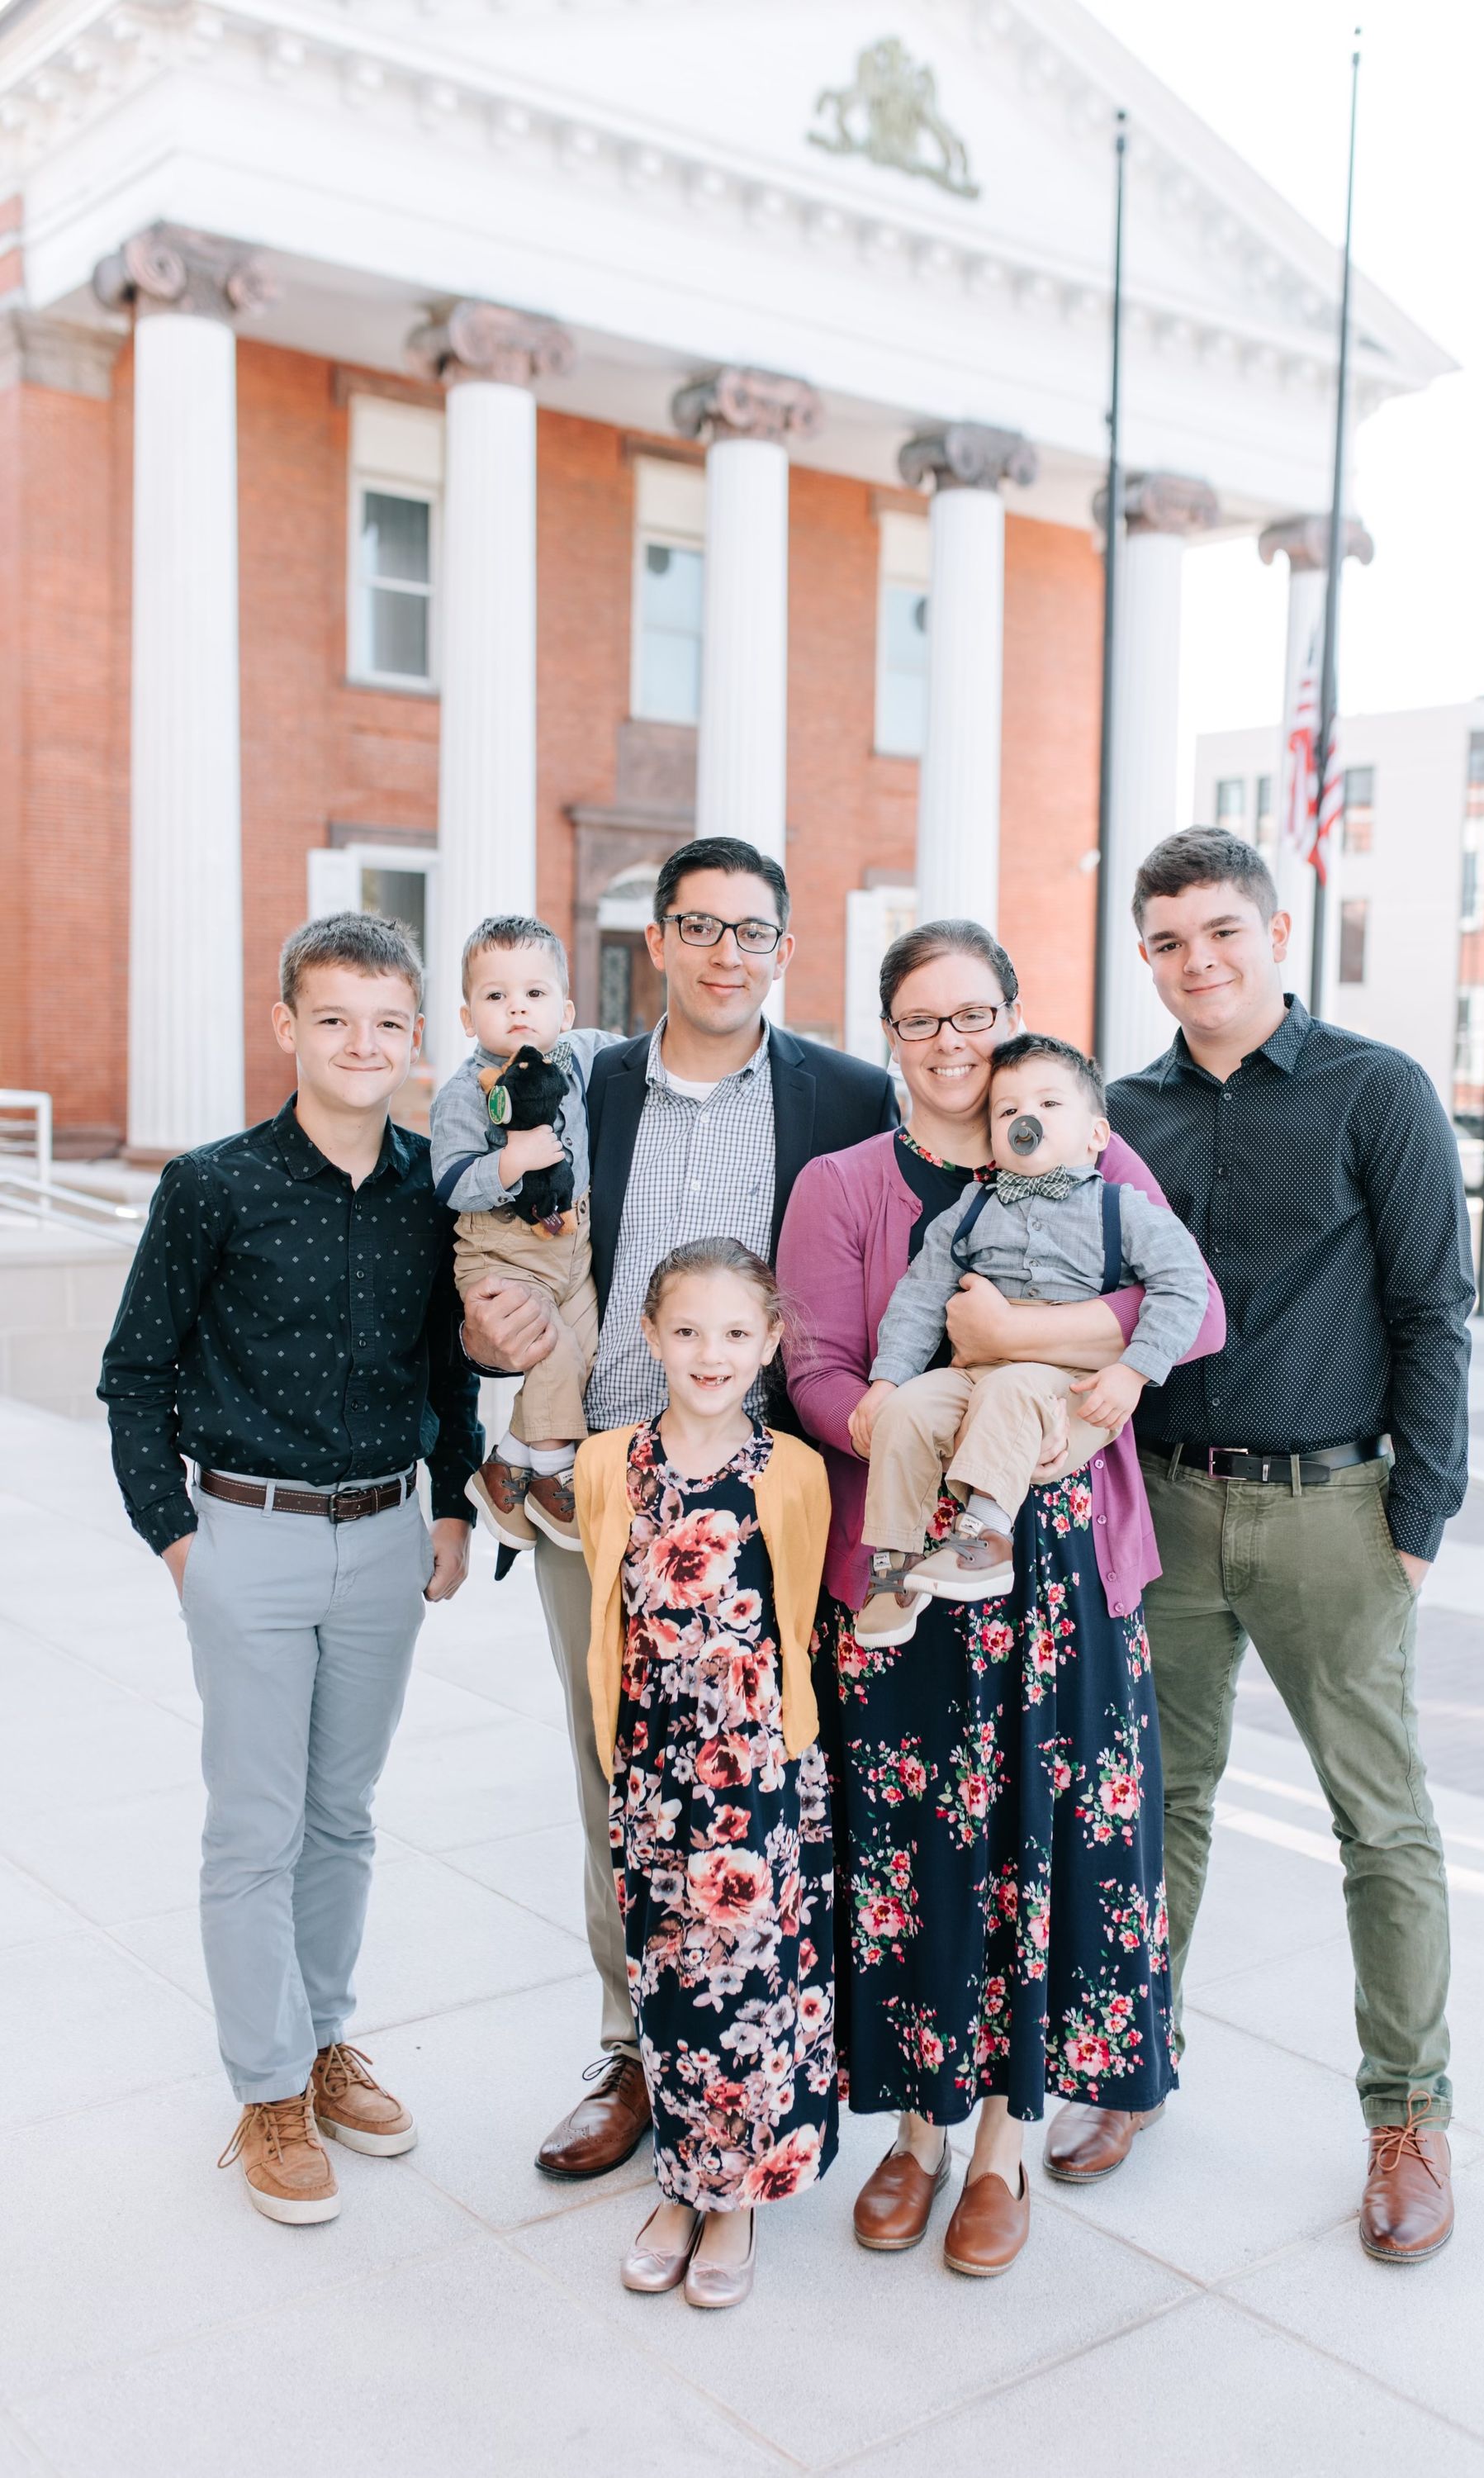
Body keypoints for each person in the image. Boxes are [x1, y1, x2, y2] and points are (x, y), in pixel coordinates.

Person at [776, 921, 1224, 2276]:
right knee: (918, 1855)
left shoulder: (1084, 1143)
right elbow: (818, 1369)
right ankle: (915, 2134)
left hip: (1066, 1564)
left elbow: (1190, 1311)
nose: (953, 1043)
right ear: (891, 1039)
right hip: (909, 1562)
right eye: (923, 1020)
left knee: (1042, 1847)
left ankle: (1000, 2148)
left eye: (975, 1014)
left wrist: (1013, 1345)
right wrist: (927, 1433)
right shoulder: (846, 1183)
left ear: (1011, 1018)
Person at [459, 836, 898, 2183]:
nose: (726, 954)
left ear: (784, 952)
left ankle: (774, 2050)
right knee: (615, 1775)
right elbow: (479, 1236)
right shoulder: (576, 1078)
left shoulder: (845, 1093)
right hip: (594, 1492)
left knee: (776, 1778)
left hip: (771, 1503)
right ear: (655, 942)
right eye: (699, 928)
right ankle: (636, 2052)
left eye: (752, 932)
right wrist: (483, 1341)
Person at [1102, 826, 1473, 2265]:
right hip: (1170, 1504)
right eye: (1170, 942)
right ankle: (1135, 2055)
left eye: (1222, 934)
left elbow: (1436, 1309)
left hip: (1337, 1513)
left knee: (1381, 1823)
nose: (1199, 963)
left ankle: (1410, 2116)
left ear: (1274, 934)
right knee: (1157, 1802)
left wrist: (1418, 1523)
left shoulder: (1374, 1089)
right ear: (1147, 955)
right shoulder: (1123, 1108)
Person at [98, 913, 481, 2225]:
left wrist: (452, 1511)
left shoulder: (443, 1189)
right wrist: (180, 1542)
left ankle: (321, 2039)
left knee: (343, 1816)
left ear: (415, 1039)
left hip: (386, 1536)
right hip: (245, 1535)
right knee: (253, 1828)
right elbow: (135, 1373)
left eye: (386, 1022)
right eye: (334, 1018)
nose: (361, 1043)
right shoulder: (213, 1185)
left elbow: (449, 1372)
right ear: (288, 1029)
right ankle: (265, 2088)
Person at [576, 1238, 837, 2308]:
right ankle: (680, 2183)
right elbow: (607, 1608)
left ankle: (736, 2199)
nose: (710, 1352)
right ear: (649, 1336)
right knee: (668, 1979)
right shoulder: (608, 1465)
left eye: (736, 1332)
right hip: (652, 1772)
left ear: (771, 1341)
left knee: (750, 1987)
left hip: (757, 1775)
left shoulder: (794, 1474)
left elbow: (802, 1618)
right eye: (687, 1330)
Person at [849, 1032, 1210, 1640]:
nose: (1026, 1118)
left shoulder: (1125, 1211)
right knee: (907, 1410)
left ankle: (985, 1538)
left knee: (1012, 1389)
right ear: (993, 1137)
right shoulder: (969, 1209)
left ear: (1097, 1135)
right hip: (974, 1375)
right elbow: (917, 1299)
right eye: (1008, 1110)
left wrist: (1134, 1371)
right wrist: (886, 1382)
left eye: (1048, 1104)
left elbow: (1185, 1287)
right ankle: (894, 1564)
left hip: (1070, 1383)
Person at [429, 913, 619, 1550]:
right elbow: (452, 1182)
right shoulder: (463, 1092)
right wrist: (512, 1160)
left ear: (564, 1011)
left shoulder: (584, 1054)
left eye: (534, 994)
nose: (517, 1010)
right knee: (552, 1354)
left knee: (588, 1349)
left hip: (573, 1240)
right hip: (501, 1249)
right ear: (466, 1017)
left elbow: (652, 1052)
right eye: (496, 996)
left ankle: (506, 1464)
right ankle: (551, 1474)